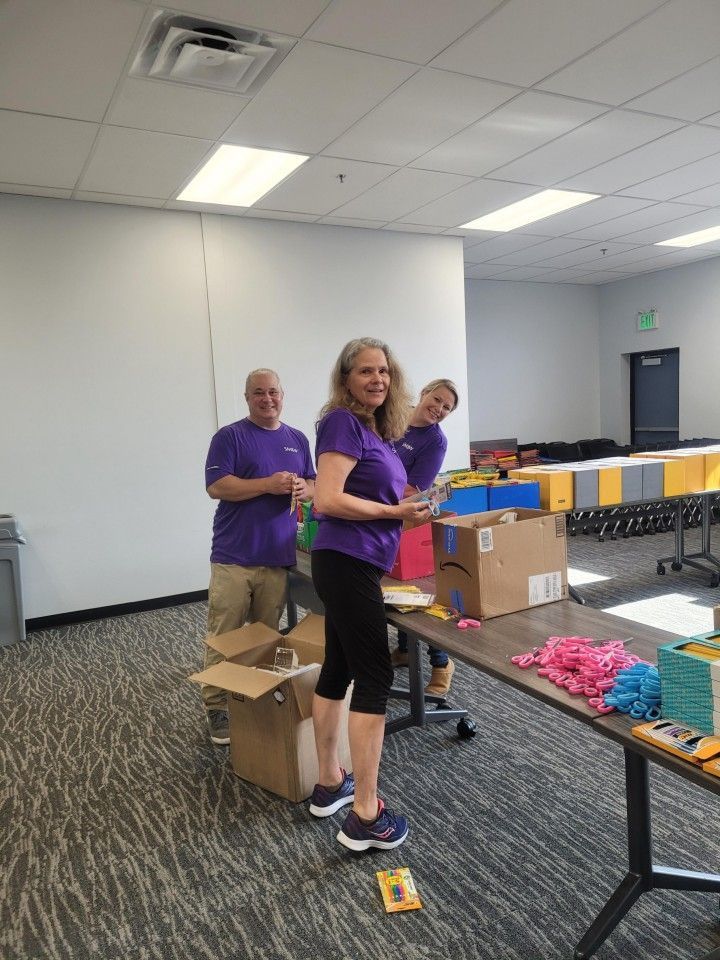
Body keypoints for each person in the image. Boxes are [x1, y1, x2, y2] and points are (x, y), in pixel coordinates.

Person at [308, 338, 432, 851]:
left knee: (338, 669)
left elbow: (369, 494)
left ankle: (329, 782)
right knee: (375, 675)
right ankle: (366, 813)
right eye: (365, 372)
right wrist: (394, 514)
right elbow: (328, 498)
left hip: (353, 561)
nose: (377, 379)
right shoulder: (341, 421)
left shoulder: (370, 430)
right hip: (346, 562)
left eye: (383, 371)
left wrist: (405, 509)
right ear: (345, 379)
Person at [202, 368, 315, 745]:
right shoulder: (230, 436)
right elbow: (217, 487)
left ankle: (254, 698)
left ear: (283, 395)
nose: (267, 399)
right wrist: (267, 484)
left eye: (273, 392)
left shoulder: (297, 438)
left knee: (265, 638)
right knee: (226, 636)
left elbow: (313, 485)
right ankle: (217, 707)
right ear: (247, 397)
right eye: (258, 393)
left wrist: (304, 486)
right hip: (234, 557)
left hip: (277, 557)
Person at [392, 379, 459, 697]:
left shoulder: (435, 441)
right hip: (381, 515)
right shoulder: (393, 416)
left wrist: (374, 484)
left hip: (408, 517)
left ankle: (441, 663)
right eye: (437, 399)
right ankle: (405, 650)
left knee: (418, 591)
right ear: (423, 394)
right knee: (392, 588)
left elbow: (412, 491)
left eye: (447, 407)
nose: (440, 409)